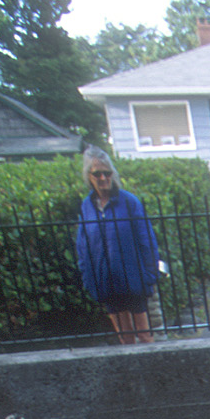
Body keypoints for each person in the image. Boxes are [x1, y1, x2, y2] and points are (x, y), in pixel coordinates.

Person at [76, 147, 159, 345]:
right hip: (106, 281)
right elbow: (83, 247)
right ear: (89, 176)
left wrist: (149, 274)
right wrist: (89, 279)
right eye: (97, 173)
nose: (103, 177)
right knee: (125, 337)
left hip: (132, 279)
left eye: (107, 172)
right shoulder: (86, 207)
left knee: (145, 335)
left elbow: (146, 240)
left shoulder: (129, 202)